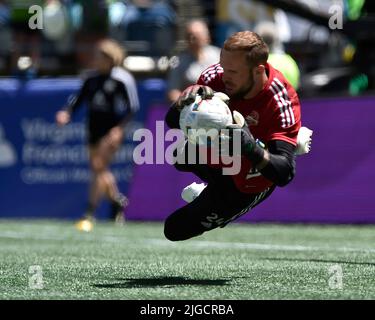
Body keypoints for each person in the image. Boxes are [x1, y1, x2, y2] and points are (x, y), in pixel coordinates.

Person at [164, 31, 309, 241]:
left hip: (250, 181)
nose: (224, 76)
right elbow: (172, 122)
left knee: (175, 229)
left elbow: (284, 174)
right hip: (220, 155)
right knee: (179, 156)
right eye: (223, 67)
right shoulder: (215, 76)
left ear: (258, 71)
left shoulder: (281, 100)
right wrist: (181, 104)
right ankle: (211, 189)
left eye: (232, 71)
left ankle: (219, 201)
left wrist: (249, 145)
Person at [56, 39, 139, 227]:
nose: (96, 60)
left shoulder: (121, 79)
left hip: (111, 130)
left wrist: (119, 129)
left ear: (111, 59)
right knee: (99, 169)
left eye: (100, 57)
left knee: (98, 166)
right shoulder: (91, 78)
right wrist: (66, 113)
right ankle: (117, 201)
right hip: (93, 127)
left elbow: (132, 107)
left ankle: (90, 211)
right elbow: (78, 99)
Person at [166, 19, 220, 104]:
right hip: (191, 109)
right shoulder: (178, 62)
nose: (193, 39)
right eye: (190, 35)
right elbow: (173, 92)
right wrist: (183, 104)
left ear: (207, 36)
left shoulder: (219, 56)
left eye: (197, 35)